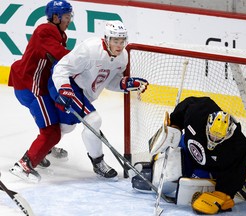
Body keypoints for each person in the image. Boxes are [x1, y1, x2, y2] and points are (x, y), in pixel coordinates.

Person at [47, 20, 148, 180]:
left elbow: (111, 82)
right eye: (115, 41)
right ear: (107, 39)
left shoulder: (122, 57)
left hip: (83, 93)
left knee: (67, 127)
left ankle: (44, 148)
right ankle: (98, 162)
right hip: (68, 85)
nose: (120, 45)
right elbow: (61, 68)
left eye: (122, 41)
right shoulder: (90, 49)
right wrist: (64, 88)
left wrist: (126, 84)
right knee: (93, 120)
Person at [134, 96, 246, 214]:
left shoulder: (238, 145)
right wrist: (175, 123)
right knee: (170, 167)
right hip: (186, 148)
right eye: (212, 135)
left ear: (229, 133)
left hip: (207, 168)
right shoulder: (197, 113)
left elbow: (236, 170)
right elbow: (188, 103)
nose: (213, 139)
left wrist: (224, 192)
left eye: (218, 137)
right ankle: (154, 168)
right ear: (208, 124)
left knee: (187, 186)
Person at [9, 0, 74, 183]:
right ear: (56, 17)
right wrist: (85, 57)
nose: (69, 20)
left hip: (35, 85)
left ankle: (43, 150)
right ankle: (24, 165)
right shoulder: (46, 31)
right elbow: (61, 56)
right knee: (52, 131)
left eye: (70, 16)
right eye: (67, 16)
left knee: (53, 118)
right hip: (32, 87)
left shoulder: (59, 33)